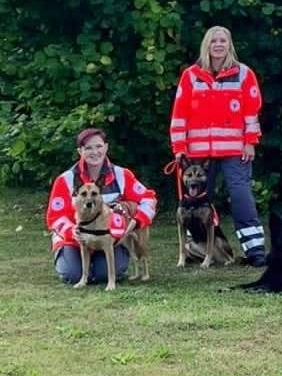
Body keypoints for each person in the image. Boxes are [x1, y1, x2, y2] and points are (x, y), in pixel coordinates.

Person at [169, 26, 267, 266]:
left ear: (229, 44)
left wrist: (251, 141)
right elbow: (179, 114)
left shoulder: (244, 74)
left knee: (241, 196)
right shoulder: (191, 75)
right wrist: (179, 147)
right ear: (207, 45)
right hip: (198, 152)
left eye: (223, 40)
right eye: (214, 41)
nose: (218, 45)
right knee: (195, 200)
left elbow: (251, 112)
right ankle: (196, 248)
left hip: (235, 149)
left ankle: (255, 251)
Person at [45, 128, 158, 284]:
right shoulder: (66, 179)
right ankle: (68, 258)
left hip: (109, 239)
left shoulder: (122, 175)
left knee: (103, 276)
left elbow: (149, 199)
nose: (95, 152)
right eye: (88, 148)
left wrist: (137, 221)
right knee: (73, 275)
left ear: (106, 147)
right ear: (80, 151)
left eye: (98, 146)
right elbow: (55, 217)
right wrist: (72, 232)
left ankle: (103, 266)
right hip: (74, 241)